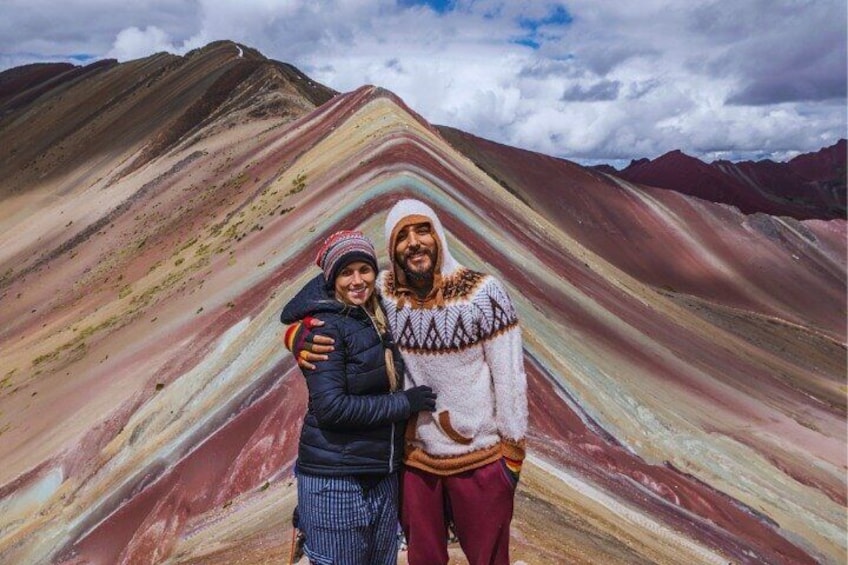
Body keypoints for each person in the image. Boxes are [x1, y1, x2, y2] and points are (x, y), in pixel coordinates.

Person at [285, 200, 528, 565]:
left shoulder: (483, 294)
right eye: (402, 237)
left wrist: (512, 455)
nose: (414, 243)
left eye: (422, 230)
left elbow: (510, 375)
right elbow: (327, 294)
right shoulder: (385, 294)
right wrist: (295, 335)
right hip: (415, 462)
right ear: (392, 250)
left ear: (439, 236)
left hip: (480, 459)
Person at [280, 229, 438, 565]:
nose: (357, 280)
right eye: (346, 272)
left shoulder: (377, 315)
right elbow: (331, 408)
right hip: (336, 478)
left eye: (364, 270)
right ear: (332, 278)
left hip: (380, 472)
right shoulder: (324, 327)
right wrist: (405, 404)